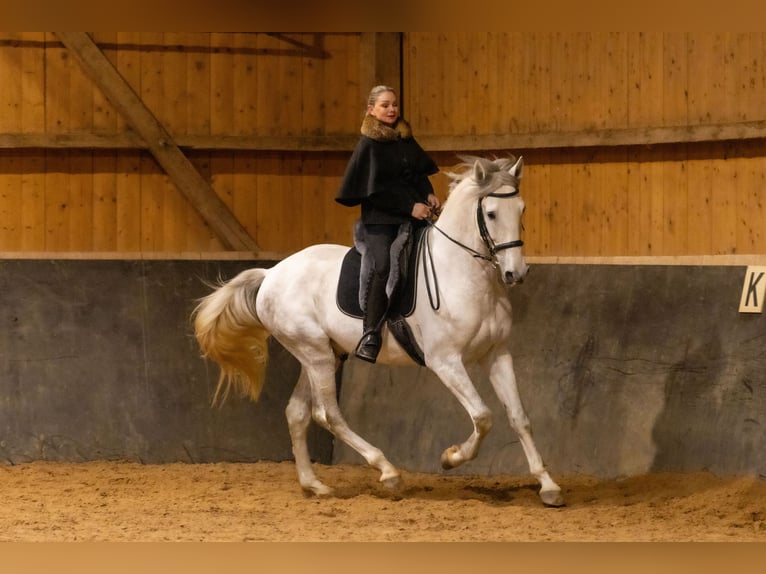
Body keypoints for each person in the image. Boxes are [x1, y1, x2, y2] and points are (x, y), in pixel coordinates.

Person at [336, 85, 441, 363]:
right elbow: (376, 192)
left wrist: (428, 192)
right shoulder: (368, 146)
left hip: (411, 216)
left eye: (394, 104)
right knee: (382, 265)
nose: (392, 109)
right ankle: (370, 333)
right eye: (385, 105)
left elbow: (416, 174)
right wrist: (411, 206)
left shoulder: (403, 139)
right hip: (380, 221)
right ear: (371, 110)